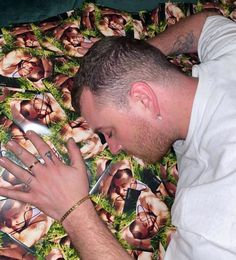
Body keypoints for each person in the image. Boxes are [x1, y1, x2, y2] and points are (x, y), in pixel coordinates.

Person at [0, 10, 235, 260]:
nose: (113, 148)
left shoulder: (219, 210)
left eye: (109, 132)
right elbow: (205, 22)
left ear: (143, 99)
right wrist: (130, 60)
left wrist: (73, 211)